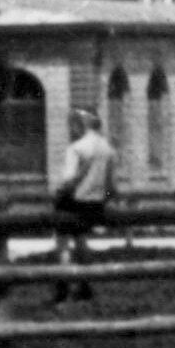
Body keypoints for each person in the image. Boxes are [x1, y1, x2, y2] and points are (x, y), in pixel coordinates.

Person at [51, 106, 117, 267]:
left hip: (76, 203)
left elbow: (69, 181)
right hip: (97, 204)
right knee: (79, 234)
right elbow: (111, 186)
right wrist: (106, 200)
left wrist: (59, 193)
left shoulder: (76, 148)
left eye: (71, 125)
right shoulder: (108, 149)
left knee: (62, 231)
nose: (70, 131)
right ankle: (85, 270)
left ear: (78, 124)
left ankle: (64, 265)